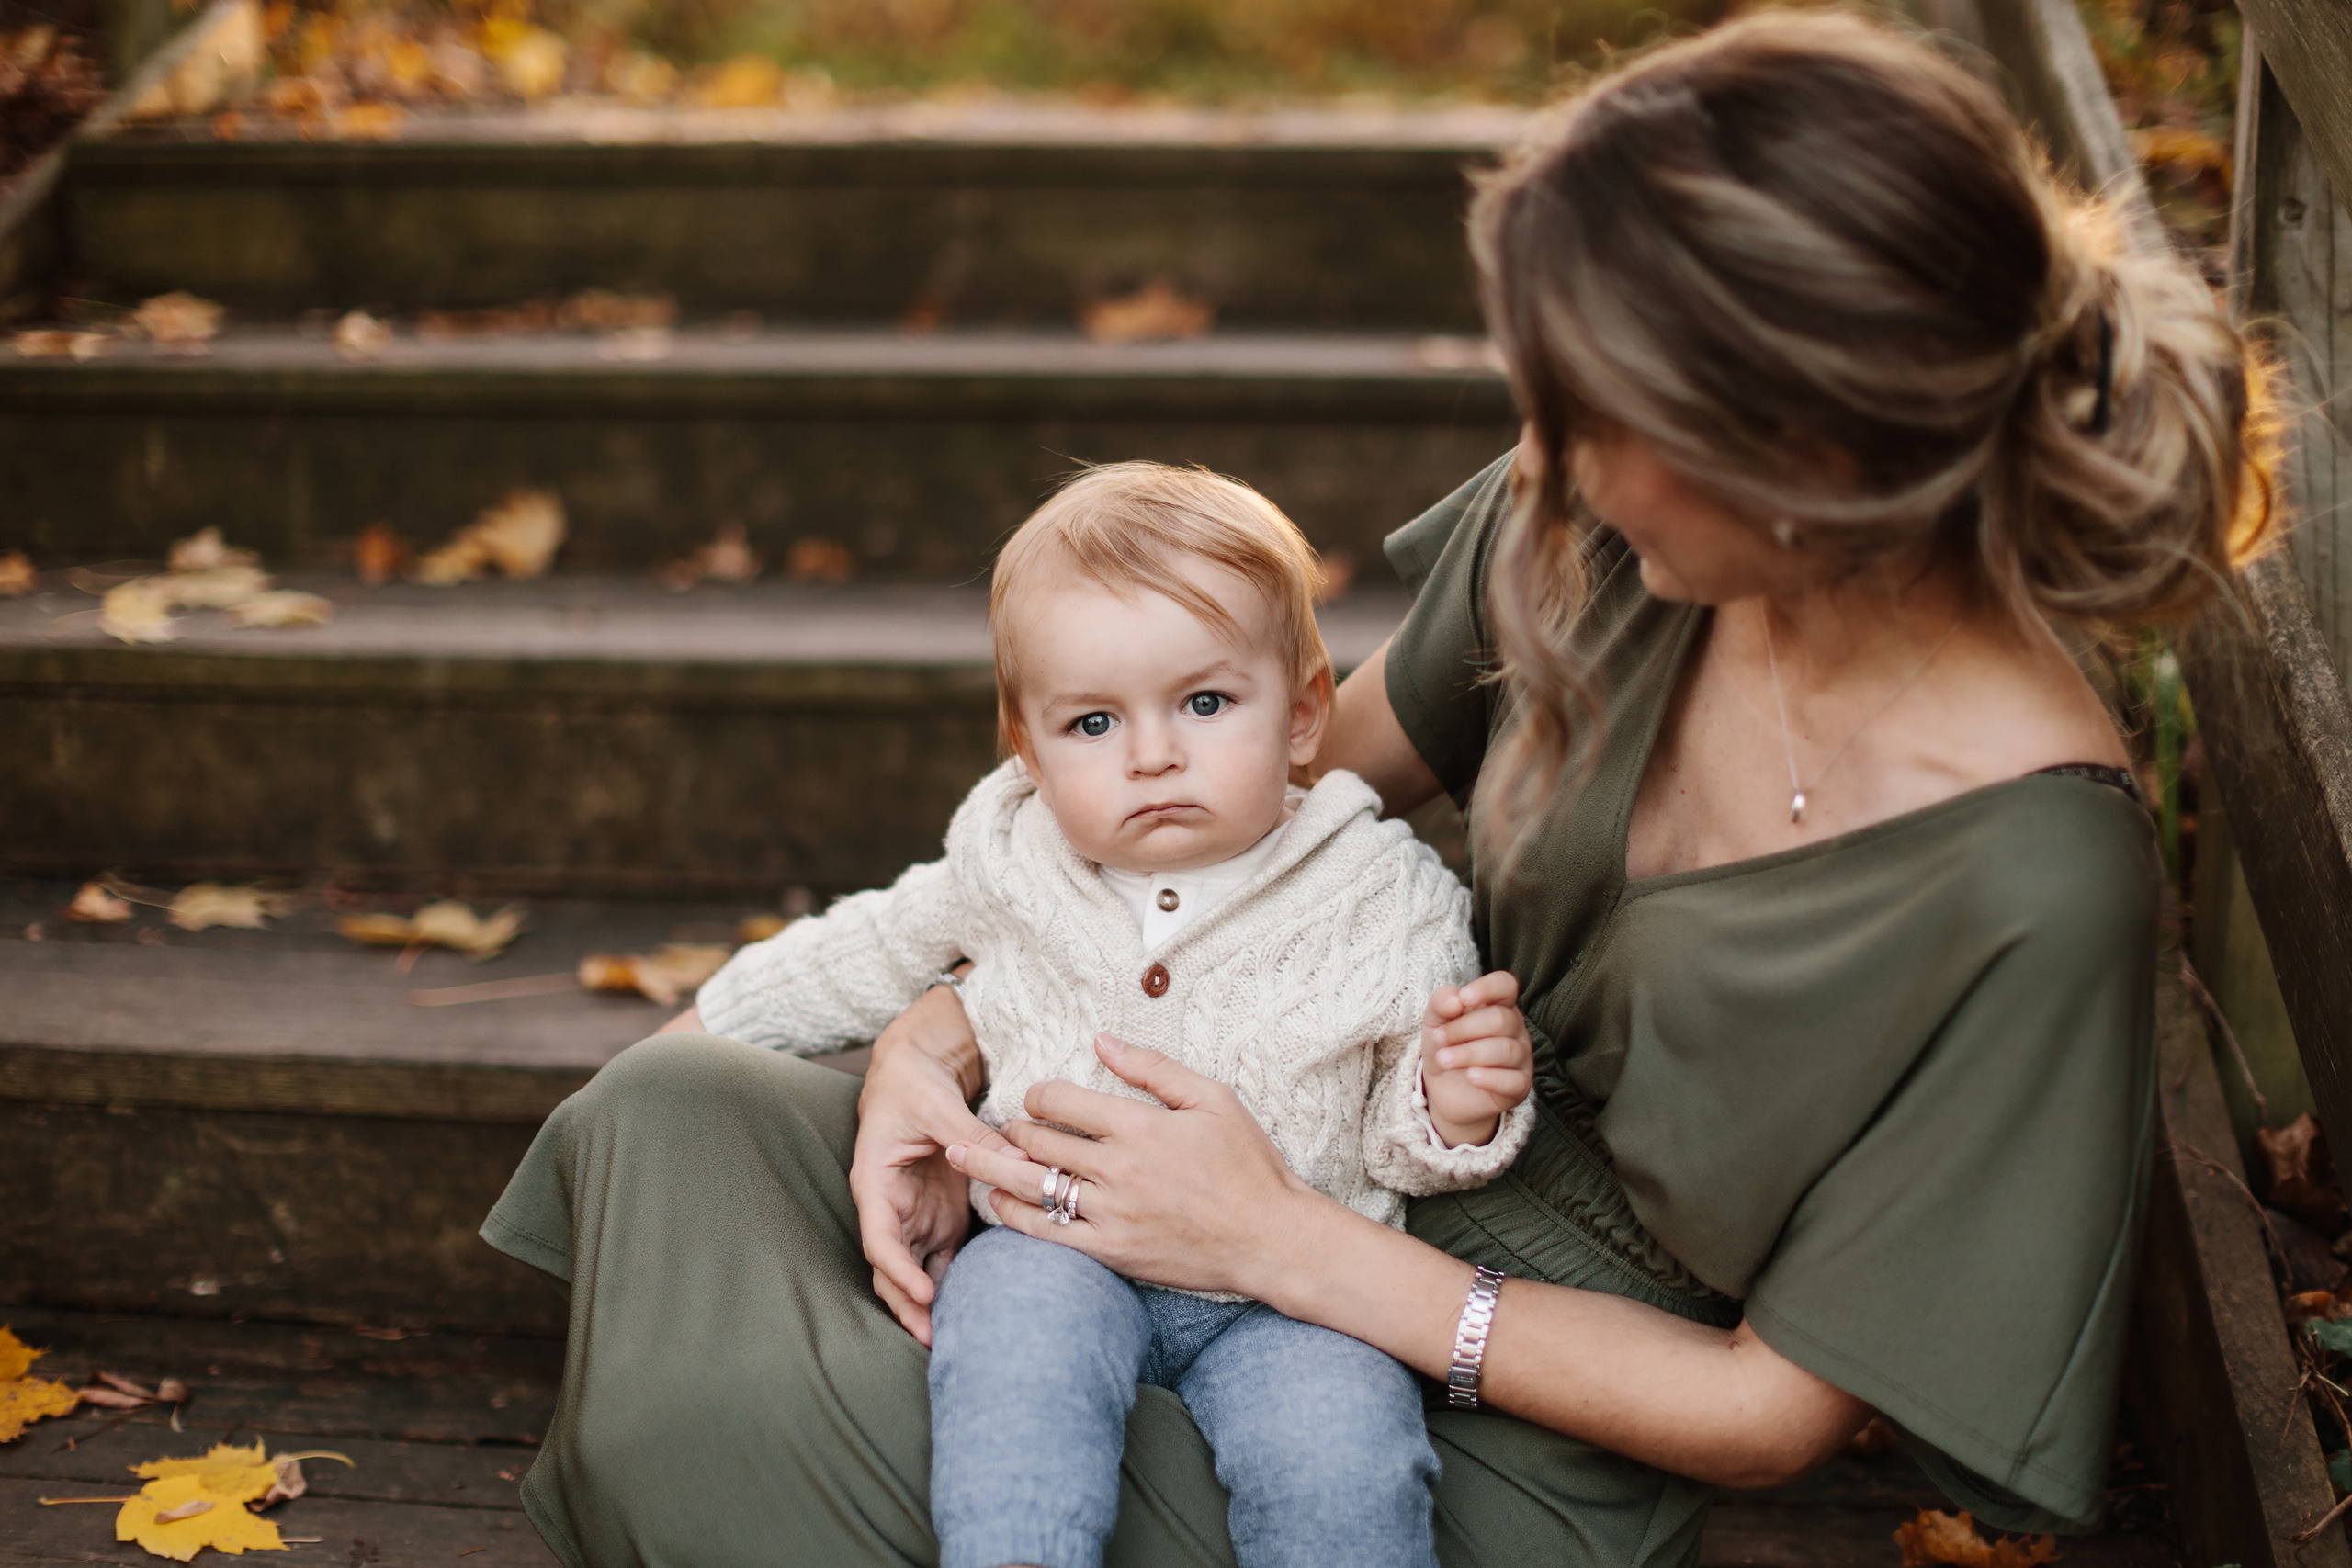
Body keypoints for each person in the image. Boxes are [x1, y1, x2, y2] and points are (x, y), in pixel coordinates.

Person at [481, 12, 2271, 1565]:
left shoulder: (2029, 878)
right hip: (1245, 1096)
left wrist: (1273, 1237)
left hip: (1485, 1391)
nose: (1536, 454)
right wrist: (939, 1033)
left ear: (1793, 444)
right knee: (675, 1108)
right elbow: (1261, 804)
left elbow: (1766, 1412)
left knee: (721, 1434)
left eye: (1581, 409)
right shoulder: (1599, 524)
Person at [671, 460, 1535, 1568]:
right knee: (1011, 1387)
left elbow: (1393, 1147)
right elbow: (874, 945)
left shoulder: (1382, 895)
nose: (1153, 753)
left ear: (1306, 711)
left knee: (1347, 1460)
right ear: (1027, 750)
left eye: (1206, 703)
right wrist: (709, 1024)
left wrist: (1450, 1105)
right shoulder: (1015, 852)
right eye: (1090, 723)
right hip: (1052, 1243)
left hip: (1289, 1298)